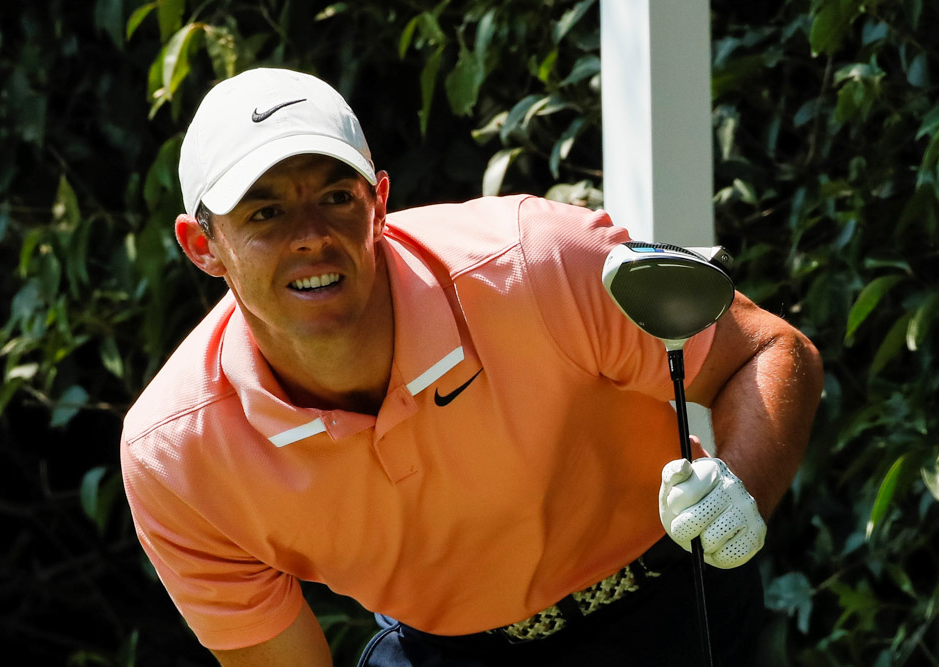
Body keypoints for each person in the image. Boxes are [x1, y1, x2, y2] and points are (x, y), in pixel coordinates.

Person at [120, 67, 822, 666]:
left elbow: (767, 350)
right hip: (442, 650)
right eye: (265, 212)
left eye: (337, 197)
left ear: (381, 203)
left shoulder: (538, 262)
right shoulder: (176, 453)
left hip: (667, 608)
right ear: (202, 245)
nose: (312, 237)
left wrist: (741, 492)